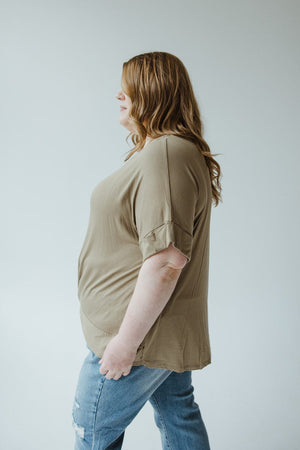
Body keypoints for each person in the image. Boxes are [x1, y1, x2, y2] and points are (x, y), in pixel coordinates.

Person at [72, 51, 222, 450]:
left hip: (137, 333)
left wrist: (124, 343)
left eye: (130, 86)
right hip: (155, 327)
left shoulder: (168, 153)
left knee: (92, 430)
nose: (119, 94)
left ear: (155, 91)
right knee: (178, 415)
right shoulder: (168, 151)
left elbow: (166, 261)